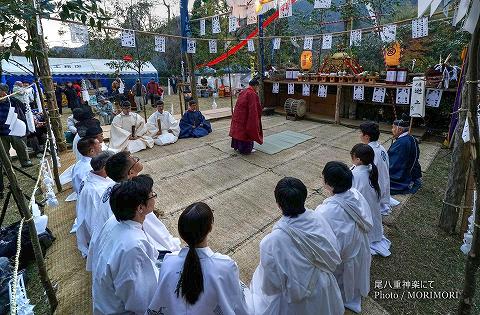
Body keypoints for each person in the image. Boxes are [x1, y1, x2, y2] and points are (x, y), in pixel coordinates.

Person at [250, 177, 344, 315]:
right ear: (304, 197)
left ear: (278, 204)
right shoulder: (318, 218)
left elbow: (270, 287)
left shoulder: (271, 241)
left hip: (295, 303)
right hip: (324, 288)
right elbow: (334, 254)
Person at [147, 202, 250, 315]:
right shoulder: (226, 266)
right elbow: (238, 305)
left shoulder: (168, 261)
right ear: (210, 227)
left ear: (181, 232)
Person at [86, 151, 181, 268]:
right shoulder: (132, 199)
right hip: (120, 253)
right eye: (134, 159)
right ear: (131, 172)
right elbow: (157, 237)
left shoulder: (114, 188)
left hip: (106, 247)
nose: (137, 159)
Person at [89, 175, 160, 314]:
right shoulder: (133, 246)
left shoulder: (113, 221)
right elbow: (141, 300)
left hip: (106, 301)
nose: (154, 197)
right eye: (152, 195)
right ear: (140, 207)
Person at [314, 161, 372, 313]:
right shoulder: (355, 194)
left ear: (329, 184)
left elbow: (326, 244)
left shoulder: (325, 211)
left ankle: (344, 298)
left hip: (345, 258)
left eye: (323, 177)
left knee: (341, 280)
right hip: (360, 248)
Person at [350, 144, 391, 257]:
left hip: (363, 214)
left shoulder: (355, 174)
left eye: (352, 156)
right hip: (373, 212)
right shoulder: (371, 169)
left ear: (357, 159)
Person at [75, 151, 115, 257]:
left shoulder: (90, 177)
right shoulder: (97, 190)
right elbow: (96, 220)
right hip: (98, 232)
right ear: (105, 167)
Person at [359, 122, 392, 215]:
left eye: (361, 133)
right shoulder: (380, 147)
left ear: (367, 137)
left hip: (376, 188)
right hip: (384, 185)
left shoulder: (369, 152)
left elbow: (364, 172)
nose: (359, 135)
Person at [0, 83, 32, 168]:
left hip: (14, 128)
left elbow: (23, 111)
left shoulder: (13, 101)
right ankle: (7, 167)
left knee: (20, 146)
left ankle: (25, 161)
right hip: (1, 131)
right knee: (3, 150)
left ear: (4, 92)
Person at [388, 115, 422, 195]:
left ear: (399, 130)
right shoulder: (411, 138)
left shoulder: (401, 144)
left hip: (401, 174)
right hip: (410, 170)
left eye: (393, 128)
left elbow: (393, 164)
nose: (392, 130)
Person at [229, 78, 263, 154]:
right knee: (246, 132)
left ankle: (237, 146)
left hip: (238, 116)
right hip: (245, 117)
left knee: (238, 132)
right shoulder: (252, 94)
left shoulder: (244, 91)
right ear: (255, 86)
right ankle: (245, 149)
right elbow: (253, 110)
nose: (258, 89)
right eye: (258, 87)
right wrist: (255, 120)